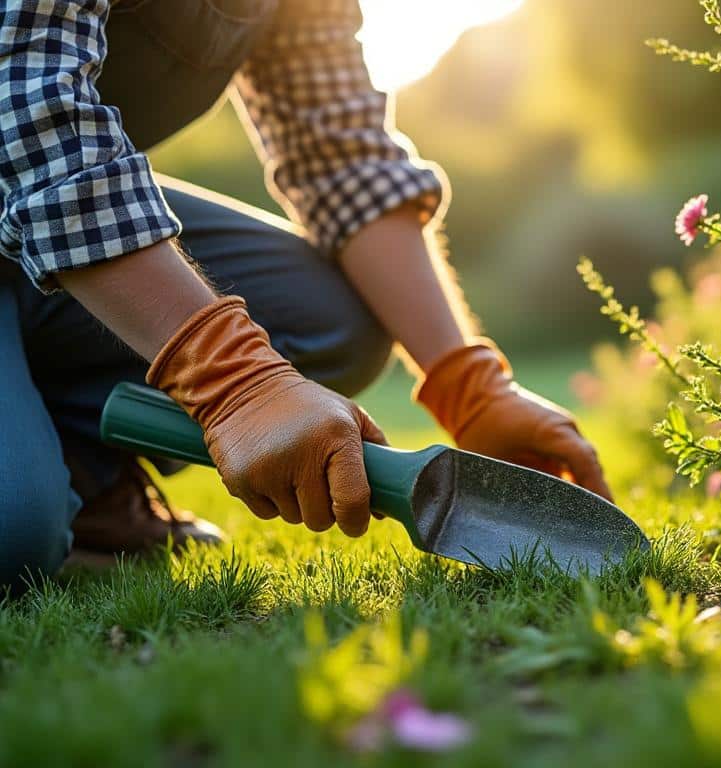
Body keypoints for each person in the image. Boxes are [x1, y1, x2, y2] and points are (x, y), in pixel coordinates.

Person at [0, 0, 611, 594]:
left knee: (330, 319)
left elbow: (341, 158)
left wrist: (468, 384)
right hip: (30, 170)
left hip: (28, 236)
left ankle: (78, 470)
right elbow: (27, 113)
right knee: (15, 530)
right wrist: (234, 379)